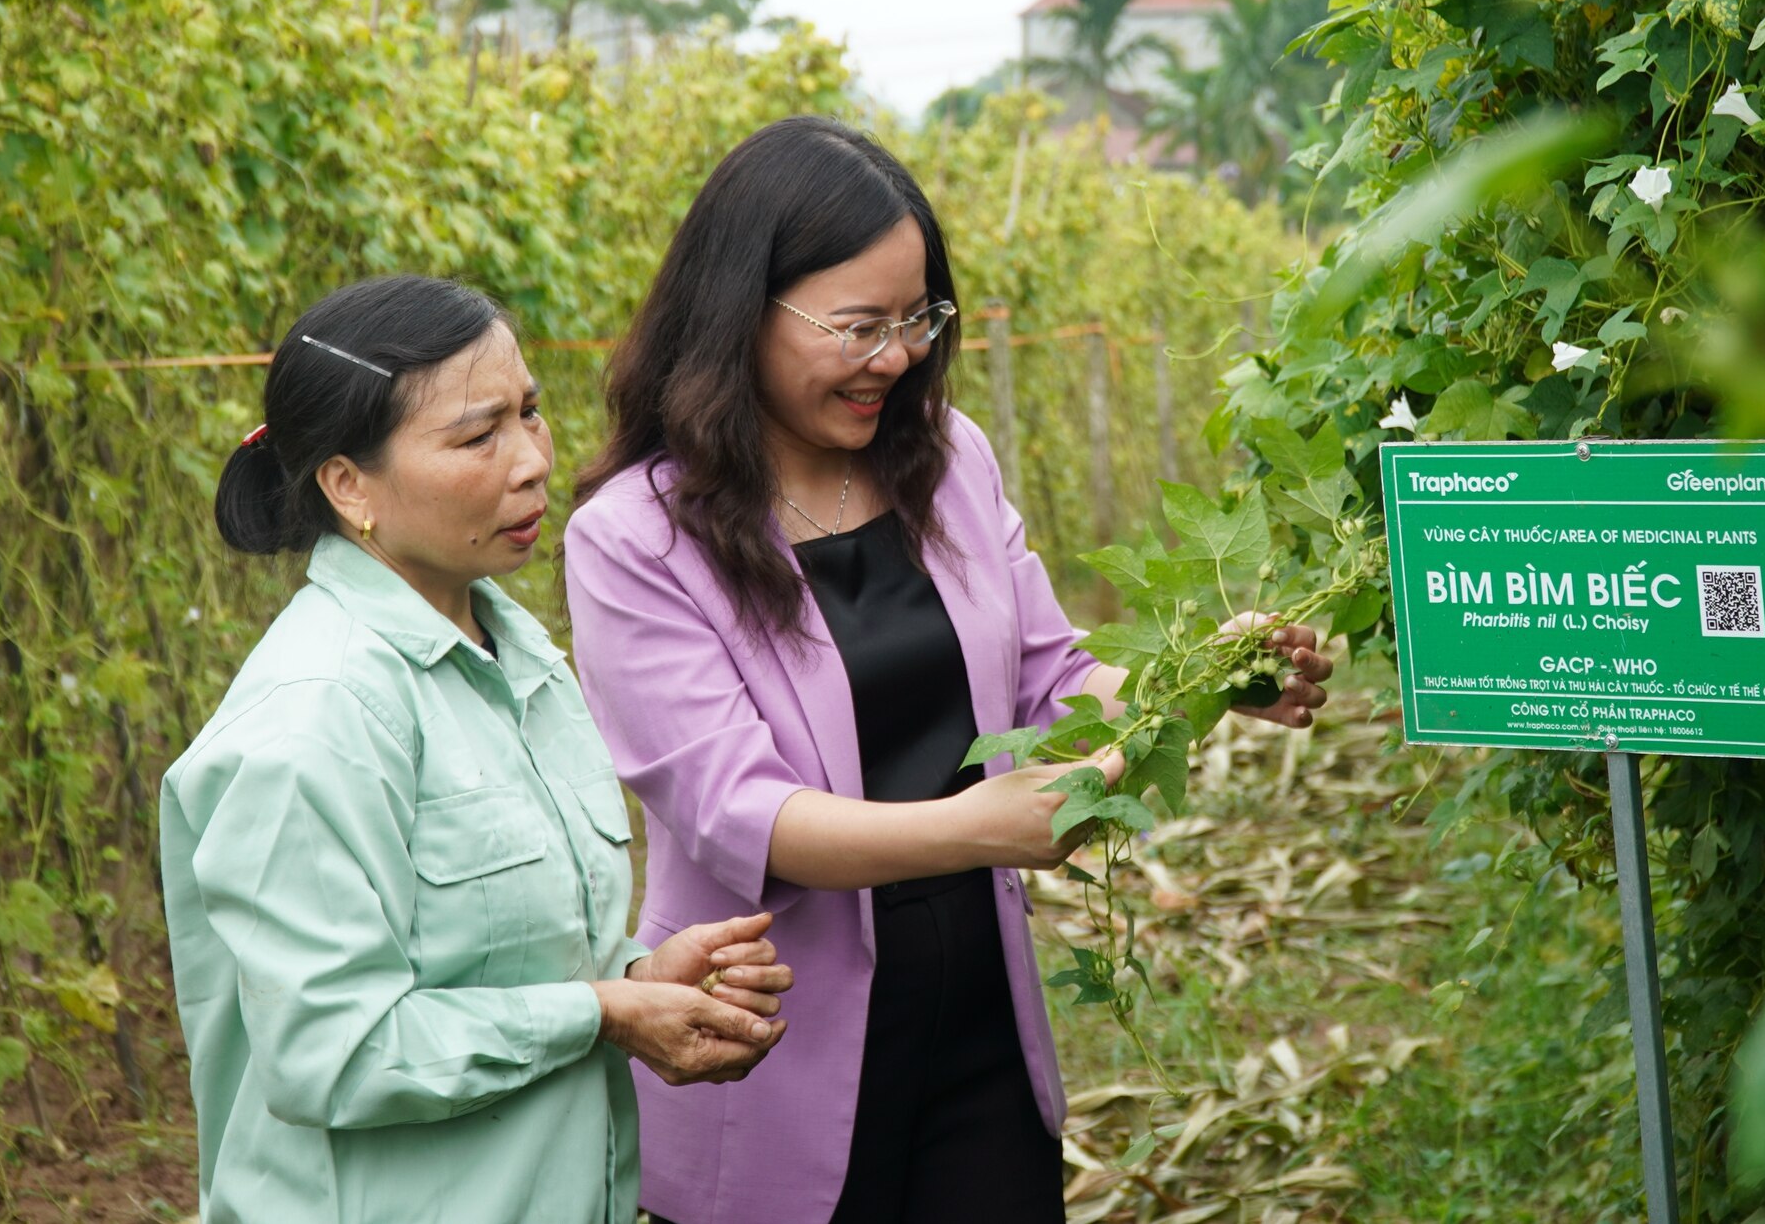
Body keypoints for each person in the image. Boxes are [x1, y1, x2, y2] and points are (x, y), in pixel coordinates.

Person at [562, 121, 1333, 1224]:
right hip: (772, 1040)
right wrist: (988, 828)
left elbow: (1048, 682)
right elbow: (741, 811)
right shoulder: (635, 537)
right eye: (856, 325)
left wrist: (1205, 676)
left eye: (916, 319)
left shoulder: (945, 461)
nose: (896, 357)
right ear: (740, 310)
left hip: (978, 1030)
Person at [162, 273, 793, 1224]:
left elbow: (485, 960)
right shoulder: (317, 718)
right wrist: (603, 1014)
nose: (532, 459)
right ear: (349, 486)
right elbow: (335, 1048)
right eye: (475, 435)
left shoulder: (516, 657)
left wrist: (631, 976)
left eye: (529, 412)